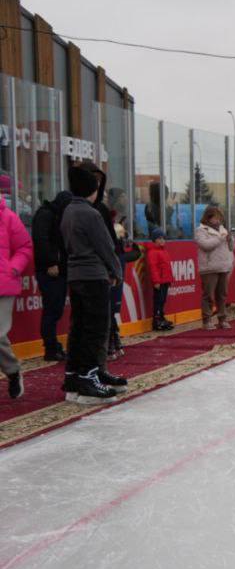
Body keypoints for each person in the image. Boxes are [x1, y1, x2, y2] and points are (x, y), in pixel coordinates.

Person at [60, 161, 126, 404]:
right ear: (92, 188)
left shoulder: (69, 210)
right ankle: (88, 376)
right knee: (95, 328)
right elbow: (106, 246)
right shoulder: (90, 213)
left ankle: (75, 375)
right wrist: (116, 270)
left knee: (79, 327)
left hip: (77, 275)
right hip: (93, 276)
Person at [30, 190, 73, 361]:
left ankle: (53, 345)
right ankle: (50, 347)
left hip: (59, 269)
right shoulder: (46, 215)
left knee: (56, 309)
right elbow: (40, 240)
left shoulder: (57, 215)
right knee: (52, 310)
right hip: (49, 270)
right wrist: (50, 263)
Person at [0, 193, 33, 400]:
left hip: (4, 283)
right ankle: (12, 370)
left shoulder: (8, 216)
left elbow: (24, 247)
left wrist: (13, 268)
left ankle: (12, 371)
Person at [194, 206, 235, 329]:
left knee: (222, 294)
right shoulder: (201, 231)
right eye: (215, 218)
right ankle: (206, 320)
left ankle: (222, 319)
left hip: (224, 266)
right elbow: (205, 245)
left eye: (219, 218)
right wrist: (220, 238)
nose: (217, 221)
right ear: (208, 218)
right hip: (209, 268)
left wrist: (230, 239)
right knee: (208, 295)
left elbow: (232, 248)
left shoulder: (223, 229)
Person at [107, 219, 141, 357]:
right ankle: (113, 340)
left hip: (115, 284)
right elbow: (135, 253)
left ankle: (113, 341)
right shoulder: (114, 251)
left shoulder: (119, 252)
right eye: (121, 234)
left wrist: (132, 244)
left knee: (110, 313)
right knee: (109, 313)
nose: (123, 237)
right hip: (112, 283)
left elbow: (135, 254)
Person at [145, 229, 175, 332]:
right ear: (154, 240)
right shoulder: (153, 252)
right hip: (159, 281)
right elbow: (153, 268)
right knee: (158, 301)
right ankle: (157, 321)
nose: (162, 240)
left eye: (163, 238)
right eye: (159, 238)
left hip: (165, 280)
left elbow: (167, 267)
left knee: (162, 300)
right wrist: (156, 281)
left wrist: (169, 279)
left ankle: (162, 318)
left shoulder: (163, 251)